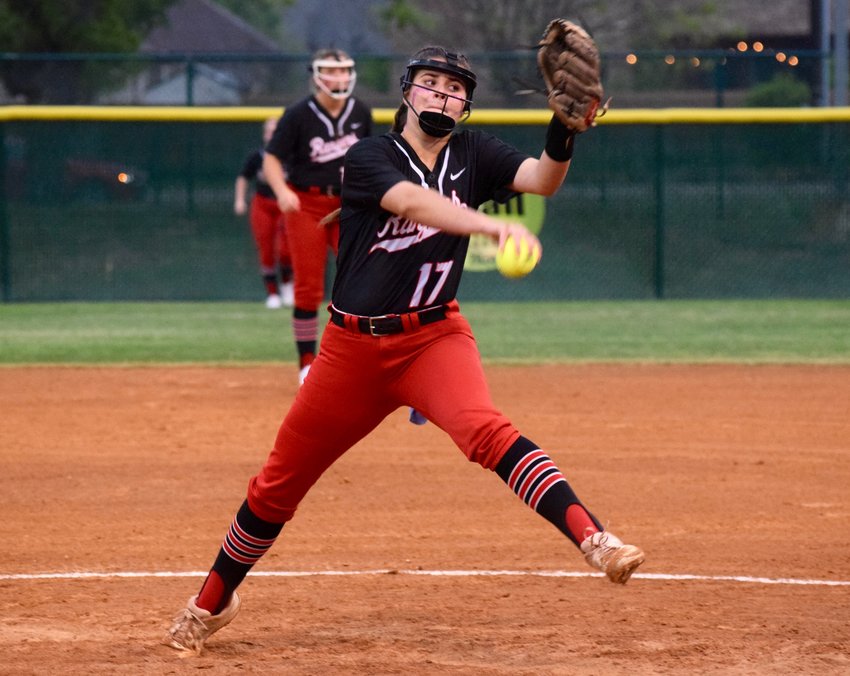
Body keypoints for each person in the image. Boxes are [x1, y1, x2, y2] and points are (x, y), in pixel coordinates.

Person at [164, 46, 644, 656]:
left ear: (466, 104)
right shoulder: (368, 156)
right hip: (352, 353)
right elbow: (413, 203)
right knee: (276, 487)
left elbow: (541, 180)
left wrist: (563, 131)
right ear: (407, 92)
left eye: (454, 88)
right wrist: (490, 225)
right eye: (431, 84)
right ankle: (212, 602)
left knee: (487, 432)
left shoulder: (476, 153)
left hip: (433, 339)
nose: (441, 95)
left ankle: (596, 541)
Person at [262, 48, 373, 384]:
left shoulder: (361, 112)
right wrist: (282, 192)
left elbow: (372, 158)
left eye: (344, 71)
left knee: (363, 282)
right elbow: (271, 159)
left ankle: (360, 359)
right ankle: (307, 363)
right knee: (308, 287)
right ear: (316, 75)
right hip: (307, 204)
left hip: (348, 205)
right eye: (331, 71)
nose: (338, 78)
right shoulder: (298, 114)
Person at [234, 117, 294, 309]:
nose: (271, 134)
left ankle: (287, 284)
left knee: (285, 250)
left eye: (275, 130)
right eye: (268, 131)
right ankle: (272, 294)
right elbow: (243, 177)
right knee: (266, 250)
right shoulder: (258, 156)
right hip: (262, 204)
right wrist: (239, 200)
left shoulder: (292, 155)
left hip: (284, 204)